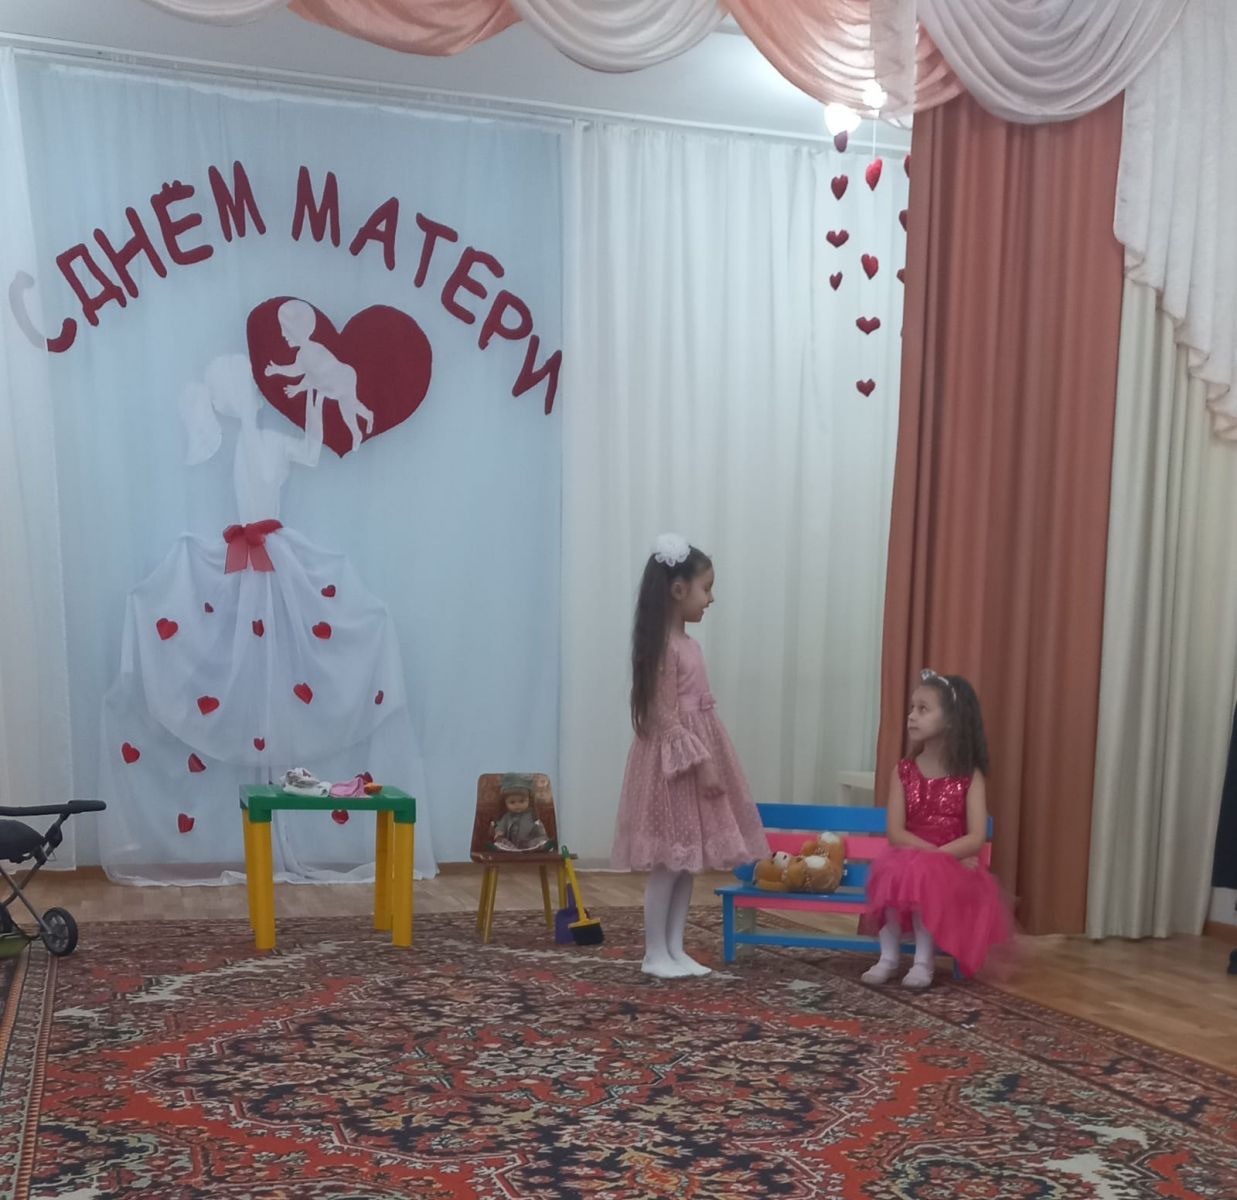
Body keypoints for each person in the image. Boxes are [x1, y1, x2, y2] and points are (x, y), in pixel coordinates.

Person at [611, 533, 768, 978]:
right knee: (668, 864)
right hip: (673, 767)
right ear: (678, 590)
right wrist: (703, 763)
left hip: (695, 755)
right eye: (706, 588)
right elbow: (662, 715)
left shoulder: (690, 645)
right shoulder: (664, 647)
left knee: (686, 866)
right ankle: (654, 953)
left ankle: (675, 949)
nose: (711, 598)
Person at [862, 669, 1013, 988]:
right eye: (912, 708)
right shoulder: (903, 771)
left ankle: (922, 962)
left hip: (954, 864)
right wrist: (935, 856)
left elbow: (976, 836)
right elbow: (895, 833)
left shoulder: (969, 776)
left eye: (923, 709)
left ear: (950, 721)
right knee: (898, 873)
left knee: (924, 876)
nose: (911, 716)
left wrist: (942, 859)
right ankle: (888, 958)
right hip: (911, 854)